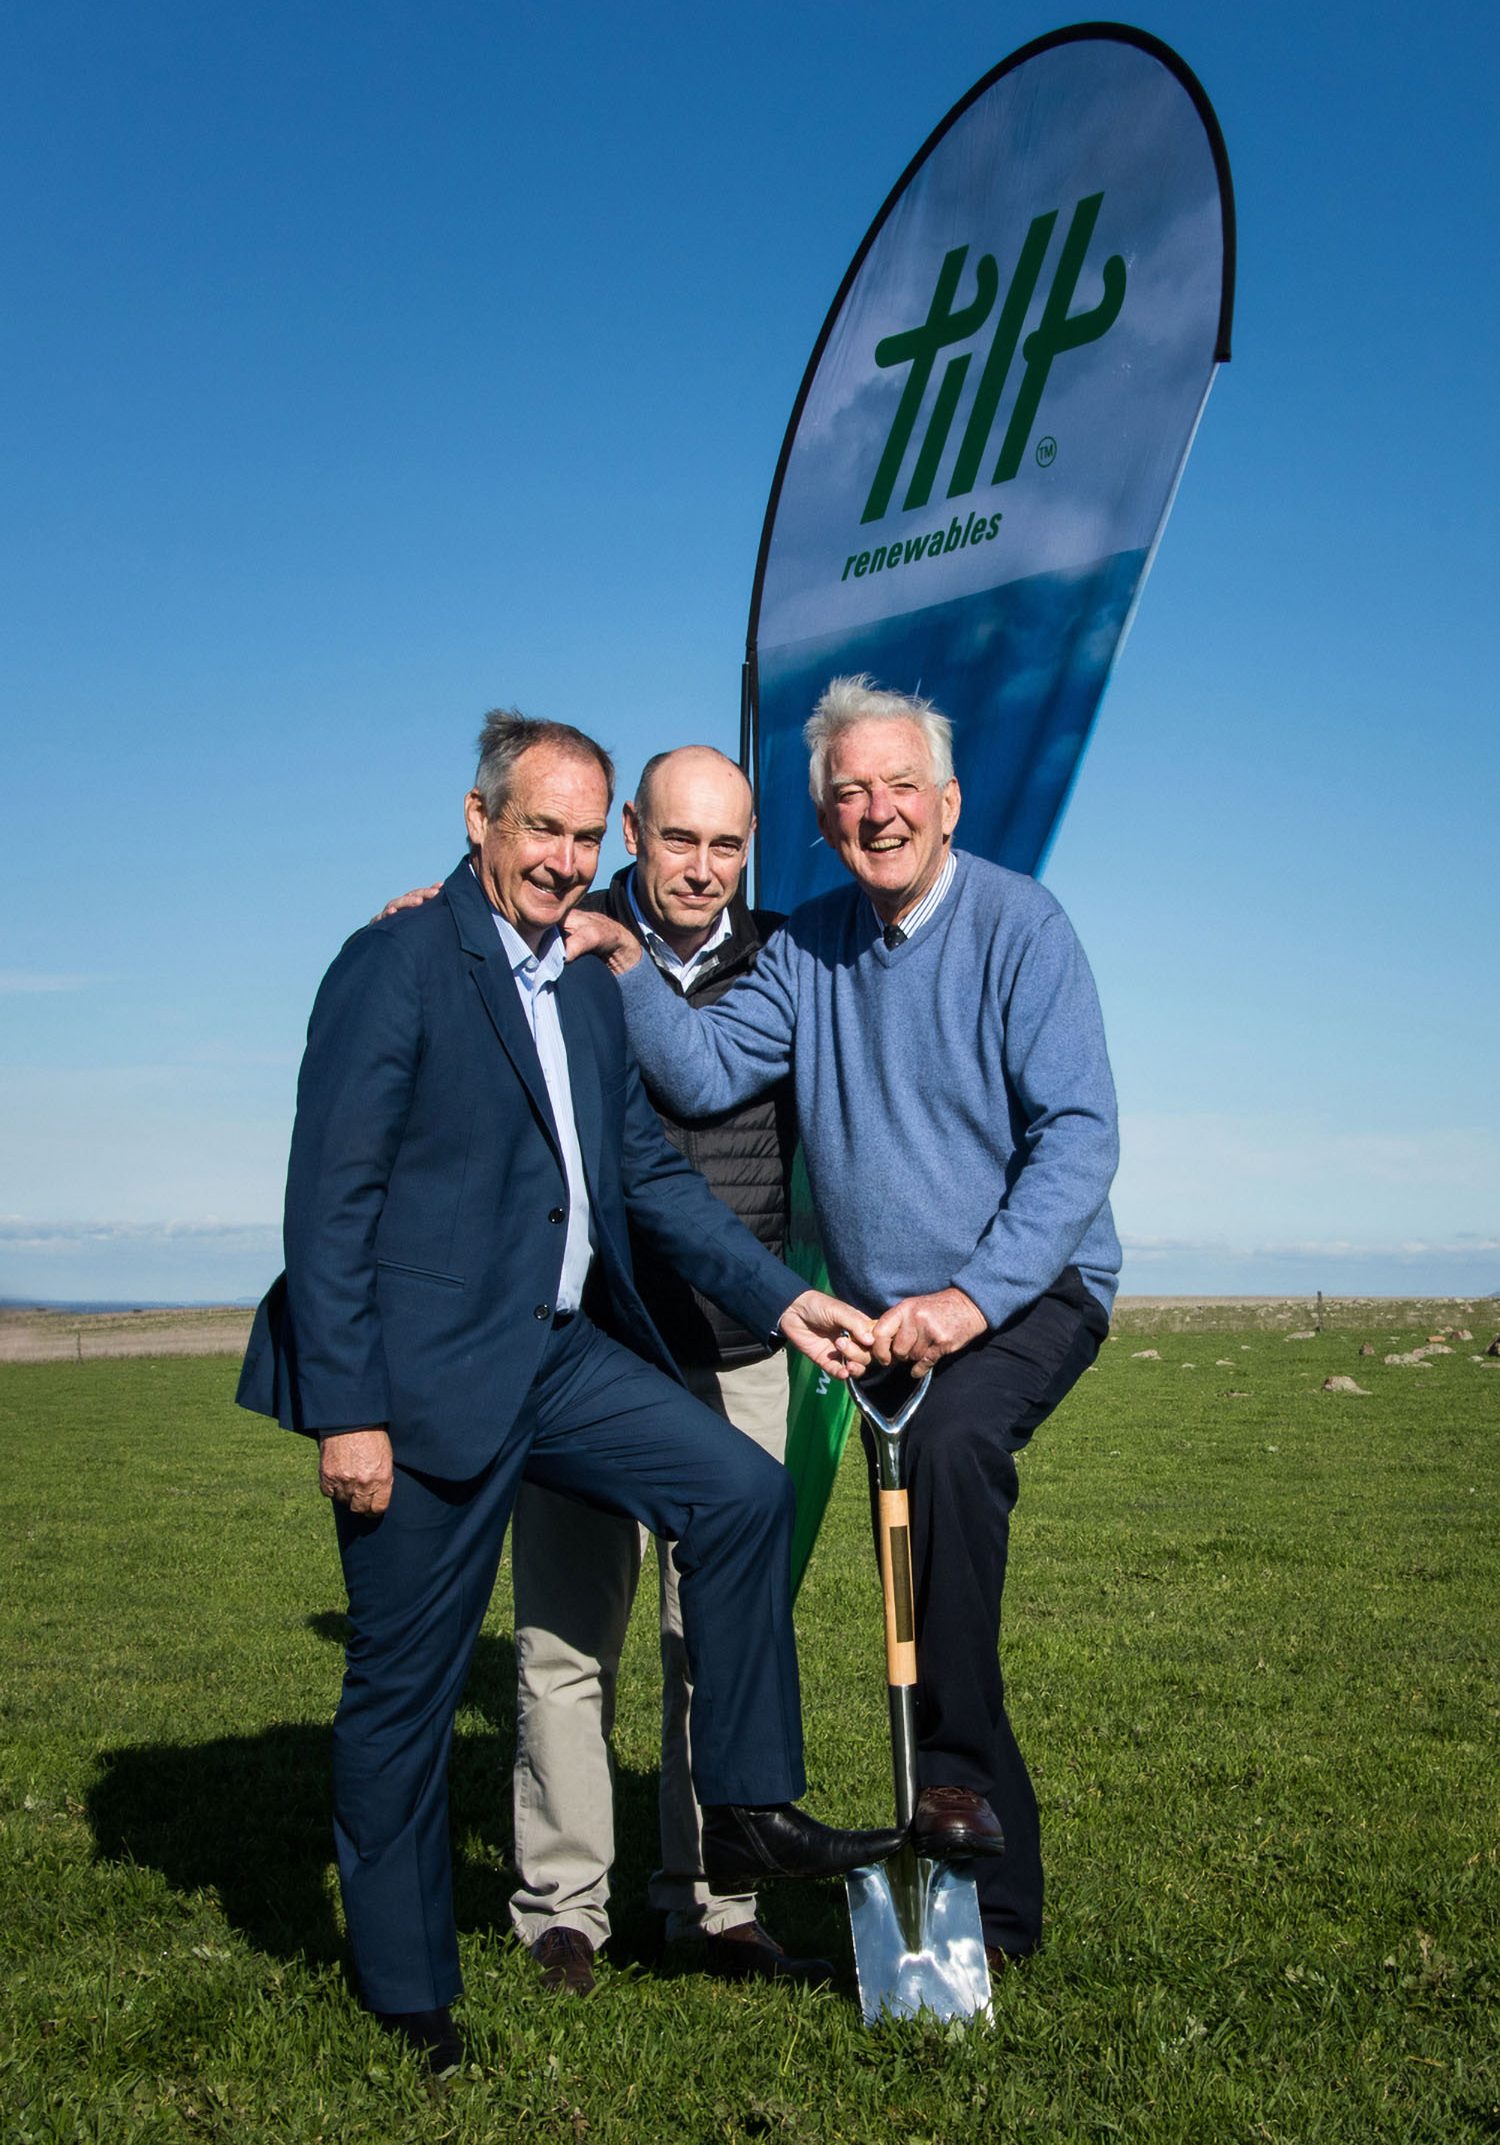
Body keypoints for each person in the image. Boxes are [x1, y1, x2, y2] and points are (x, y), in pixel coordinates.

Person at [236, 710, 904, 2074]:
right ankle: (408, 1987)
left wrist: (784, 1295)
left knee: (738, 1491)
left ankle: (750, 1806)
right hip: (419, 1383)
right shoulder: (395, 964)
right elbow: (329, 1199)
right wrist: (348, 1411)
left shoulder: (587, 979)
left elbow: (648, 1183)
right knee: (405, 1693)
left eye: (582, 833)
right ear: (478, 820)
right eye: (542, 824)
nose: (563, 854)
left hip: (555, 1357)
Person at [567, 675, 1121, 1972]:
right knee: (908, 1558)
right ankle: (967, 1867)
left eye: (899, 787)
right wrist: (619, 954)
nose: (878, 810)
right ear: (824, 821)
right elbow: (701, 1068)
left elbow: (1080, 1140)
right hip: (892, 1332)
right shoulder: (810, 947)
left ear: (948, 802)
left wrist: (967, 1298)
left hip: (1028, 1295)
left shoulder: (1020, 928)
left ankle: (965, 1824)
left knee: (944, 1473)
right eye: (849, 794)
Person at [505, 745, 824, 1995]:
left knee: (721, 1641)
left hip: (739, 1346)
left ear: (752, 849)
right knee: (566, 1638)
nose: (701, 869)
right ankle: (563, 1912)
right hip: (592, 1342)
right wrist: (434, 892)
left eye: (727, 845)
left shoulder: (796, 961)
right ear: (632, 830)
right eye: (678, 840)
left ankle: (716, 1905)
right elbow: (489, 905)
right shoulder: (568, 941)